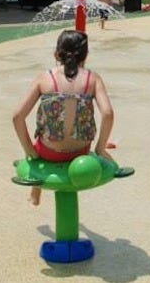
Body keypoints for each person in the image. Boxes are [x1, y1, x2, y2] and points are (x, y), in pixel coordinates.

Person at [12, 30, 114, 206]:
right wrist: (100, 148)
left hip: (48, 152)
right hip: (80, 151)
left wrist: (28, 150)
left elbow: (17, 117)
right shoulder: (93, 79)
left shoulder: (44, 78)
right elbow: (108, 113)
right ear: (86, 55)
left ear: (56, 54)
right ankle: (35, 190)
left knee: (37, 141)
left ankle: (35, 191)